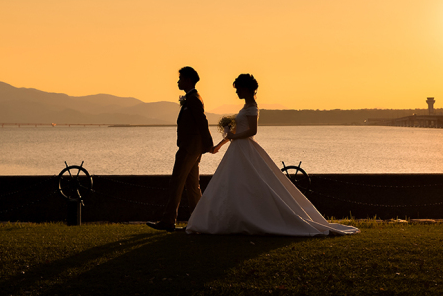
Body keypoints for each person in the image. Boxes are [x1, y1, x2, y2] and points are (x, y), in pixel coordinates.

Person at [186, 73, 359, 236]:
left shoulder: (252, 107)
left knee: (247, 183)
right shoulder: (245, 107)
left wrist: (232, 136)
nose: (237, 92)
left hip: (245, 148)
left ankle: (249, 219)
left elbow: (252, 131)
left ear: (246, 89)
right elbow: (238, 130)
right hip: (237, 148)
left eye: (238, 88)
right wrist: (220, 145)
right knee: (231, 183)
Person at [147, 66, 214, 232]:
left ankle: (168, 220)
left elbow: (202, 122)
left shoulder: (194, 99)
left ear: (188, 80)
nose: (178, 81)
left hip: (189, 148)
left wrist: (208, 144)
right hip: (191, 147)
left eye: (180, 78)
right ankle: (199, 221)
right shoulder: (191, 98)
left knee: (176, 182)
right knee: (192, 186)